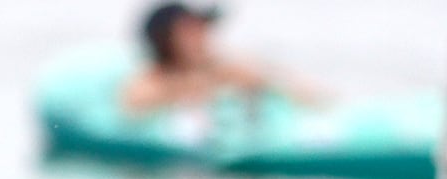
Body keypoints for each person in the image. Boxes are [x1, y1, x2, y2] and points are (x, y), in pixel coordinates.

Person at [121, 4, 321, 114]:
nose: (202, 37)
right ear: (165, 40)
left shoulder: (218, 65)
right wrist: (197, 84)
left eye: (202, 29)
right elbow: (134, 102)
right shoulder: (153, 77)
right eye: (190, 32)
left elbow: (270, 77)